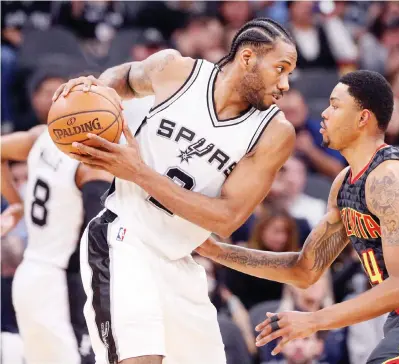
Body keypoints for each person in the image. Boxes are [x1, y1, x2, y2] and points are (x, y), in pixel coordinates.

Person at [196, 70, 399, 363]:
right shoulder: (344, 184)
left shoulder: (391, 179)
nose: (323, 113)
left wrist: (313, 320)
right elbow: (304, 270)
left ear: (363, 118)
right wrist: (216, 251)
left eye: (335, 106)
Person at [53, 18, 297, 364]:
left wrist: (139, 173)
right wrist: (89, 91)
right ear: (246, 58)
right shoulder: (175, 70)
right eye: (280, 69)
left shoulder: (274, 133)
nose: (285, 83)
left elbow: (227, 218)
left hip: (180, 262)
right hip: (124, 238)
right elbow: (115, 81)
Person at [0, 124, 112, 364]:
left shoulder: (42, 135)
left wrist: (15, 203)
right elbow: (102, 240)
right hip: (62, 283)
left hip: (31, 272)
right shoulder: (92, 167)